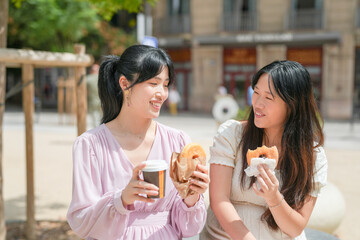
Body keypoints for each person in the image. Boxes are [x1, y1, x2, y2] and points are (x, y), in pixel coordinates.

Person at [67, 45, 209, 240]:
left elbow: (188, 228)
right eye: (153, 83)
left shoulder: (178, 141)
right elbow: (81, 221)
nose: (162, 93)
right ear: (124, 84)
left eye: (165, 85)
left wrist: (192, 196)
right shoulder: (90, 145)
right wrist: (121, 200)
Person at [200, 60, 328, 240]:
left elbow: (295, 228)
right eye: (256, 93)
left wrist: (274, 198)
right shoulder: (232, 134)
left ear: (293, 105)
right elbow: (219, 200)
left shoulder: (313, 156)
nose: (257, 104)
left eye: (268, 98)